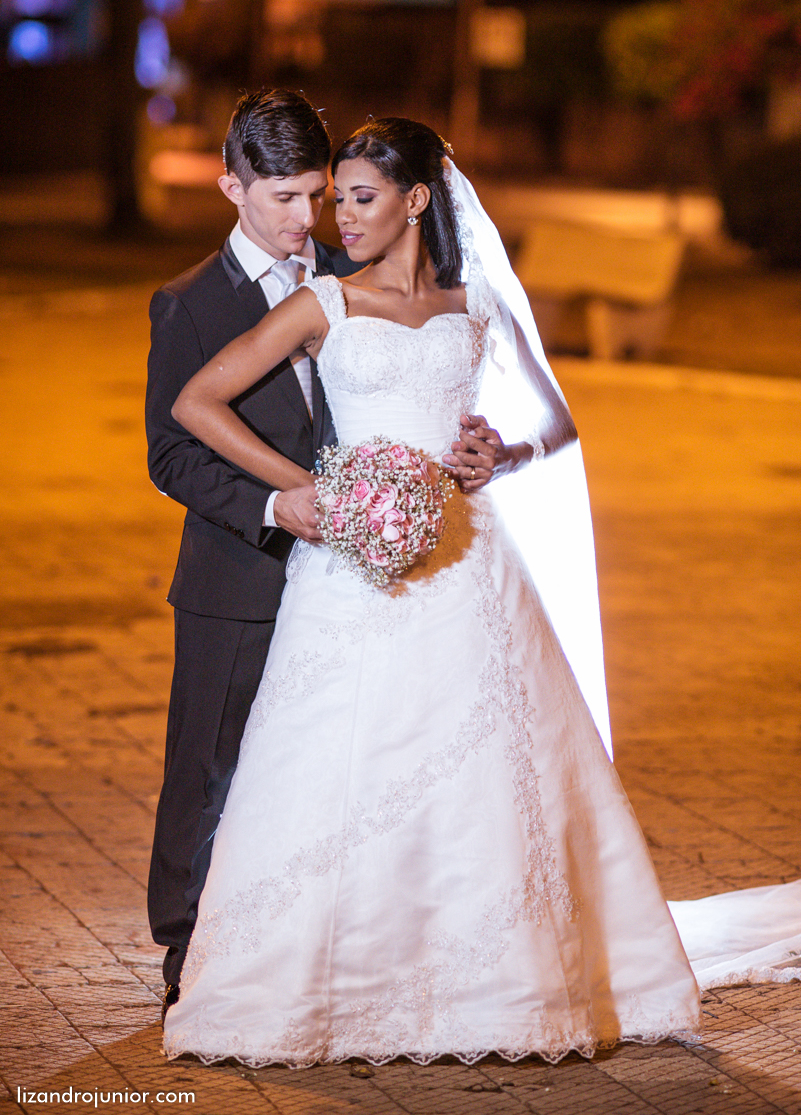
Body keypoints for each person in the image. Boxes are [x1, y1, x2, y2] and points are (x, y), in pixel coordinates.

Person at [162, 118, 799, 1067]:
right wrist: (310, 491)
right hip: (350, 572)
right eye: (334, 199)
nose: (340, 216)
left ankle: (500, 980)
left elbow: (552, 416)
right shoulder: (324, 304)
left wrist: (503, 449)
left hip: (469, 565)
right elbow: (195, 404)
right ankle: (319, 982)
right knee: (342, 762)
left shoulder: (475, 305)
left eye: (360, 197)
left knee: (488, 770)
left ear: (417, 200)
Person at [145, 93, 502, 1024]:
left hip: (357, 576)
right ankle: (188, 944)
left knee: (335, 767)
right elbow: (173, 451)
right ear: (232, 187)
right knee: (211, 764)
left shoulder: (356, 269)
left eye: (317, 195)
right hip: (238, 570)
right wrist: (281, 502)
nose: (308, 220)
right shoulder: (189, 303)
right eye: (285, 199)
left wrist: (471, 446)